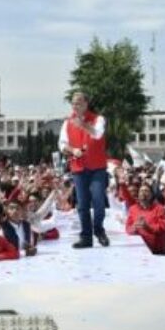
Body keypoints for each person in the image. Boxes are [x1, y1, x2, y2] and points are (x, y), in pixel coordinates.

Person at [58, 91, 109, 249]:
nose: (75, 106)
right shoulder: (67, 123)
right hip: (79, 167)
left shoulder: (98, 119)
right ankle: (86, 237)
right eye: (73, 103)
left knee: (99, 200)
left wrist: (84, 125)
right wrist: (72, 151)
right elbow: (61, 144)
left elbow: (98, 134)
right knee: (82, 204)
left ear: (86, 104)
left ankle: (98, 229)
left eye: (79, 102)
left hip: (97, 168)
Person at [126, 185, 165, 255]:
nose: (143, 193)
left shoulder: (160, 209)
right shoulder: (133, 209)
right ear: (138, 194)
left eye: (146, 191)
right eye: (141, 191)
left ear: (151, 194)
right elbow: (128, 228)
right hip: (138, 249)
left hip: (156, 251)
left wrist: (148, 227)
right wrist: (134, 227)